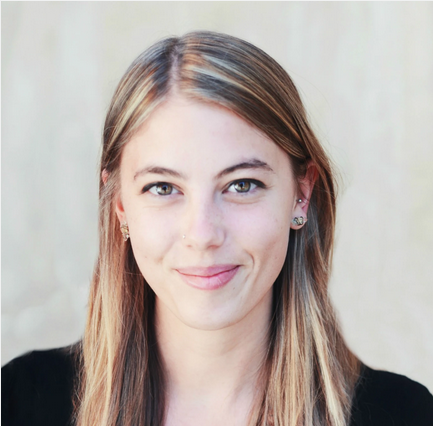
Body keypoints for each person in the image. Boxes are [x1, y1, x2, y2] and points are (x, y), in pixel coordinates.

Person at [2, 30, 433, 426]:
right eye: (163, 187)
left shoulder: (404, 415)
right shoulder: (21, 402)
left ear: (301, 195)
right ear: (119, 206)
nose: (203, 233)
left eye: (241, 185)